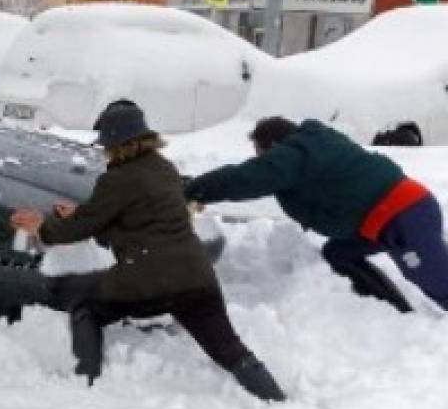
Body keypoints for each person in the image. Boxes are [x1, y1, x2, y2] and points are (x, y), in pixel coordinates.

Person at [10, 102, 286, 402]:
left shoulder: (116, 179)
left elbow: (81, 227)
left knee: (85, 306)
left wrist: (43, 227)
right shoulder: (165, 170)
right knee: (230, 350)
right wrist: (82, 213)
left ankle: (84, 382)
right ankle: (277, 400)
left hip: (148, 279)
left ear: (116, 145)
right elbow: (130, 219)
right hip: (196, 277)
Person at [185, 117, 448, 314]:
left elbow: (244, 179)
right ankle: (392, 311)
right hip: (389, 218)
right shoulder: (312, 147)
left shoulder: (295, 155)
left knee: (437, 282)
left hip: (405, 215)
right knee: (339, 253)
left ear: (274, 145)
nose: (260, 159)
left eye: (261, 153)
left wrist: (193, 191)